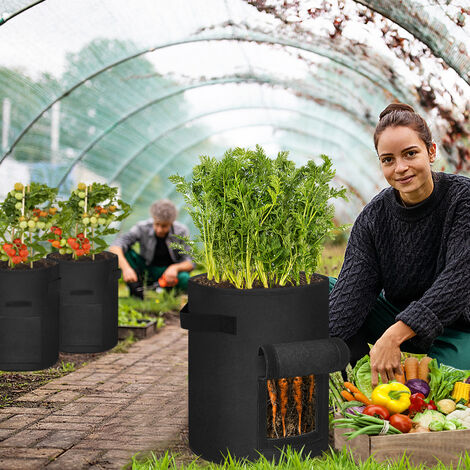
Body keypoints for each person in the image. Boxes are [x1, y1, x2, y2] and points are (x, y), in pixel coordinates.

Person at [329, 102, 470, 388]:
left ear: (431, 152)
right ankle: (366, 378)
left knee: (441, 382)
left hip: (458, 326)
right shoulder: (374, 217)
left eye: (410, 154)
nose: (400, 168)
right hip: (396, 315)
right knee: (323, 289)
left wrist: (392, 337)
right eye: (388, 159)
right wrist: (314, 347)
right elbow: (351, 296)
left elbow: (457, 283)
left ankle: (409, 364)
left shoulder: (463, 200)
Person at [110, 199, 194, 298]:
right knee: (126, 252)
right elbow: (115, 246)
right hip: (146, 269)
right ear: (153, 218)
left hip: (168, 274)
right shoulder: (142, 227)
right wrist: (126, 269)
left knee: (185, 278)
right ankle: (136, 292)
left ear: (171, 222)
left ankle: (172, 294)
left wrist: (174, 268)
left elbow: (190, 262)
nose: (159, 229)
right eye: (157, 224)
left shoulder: (181, 231)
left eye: (164, 226)